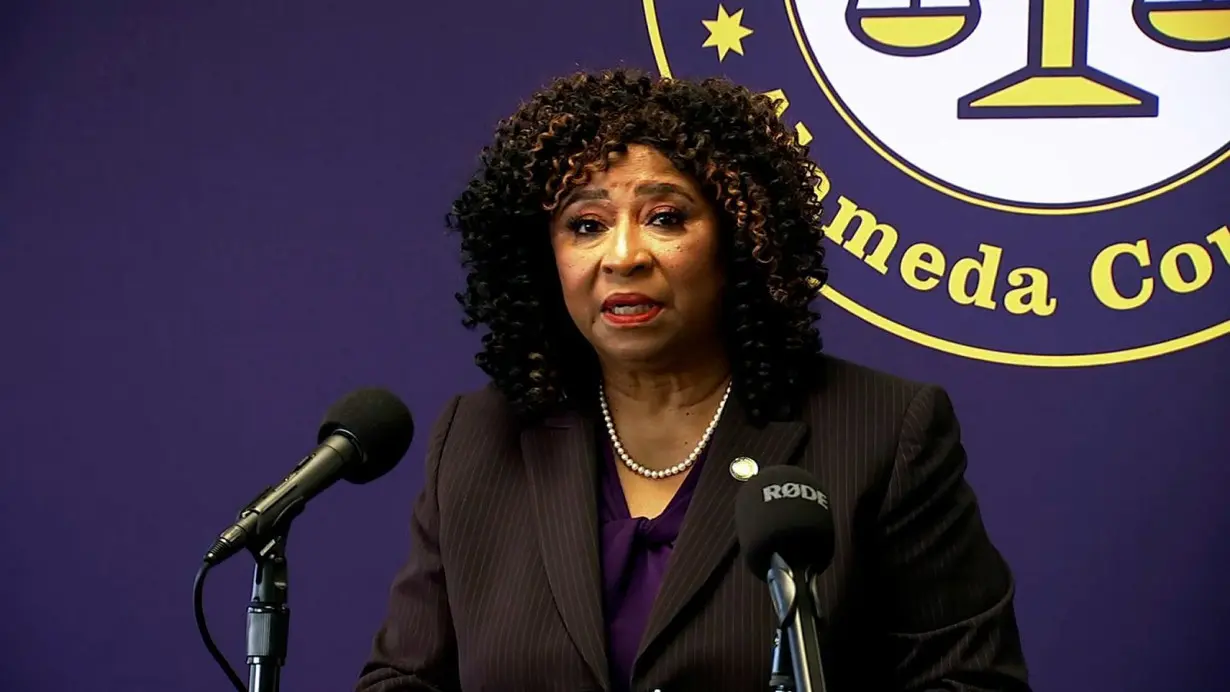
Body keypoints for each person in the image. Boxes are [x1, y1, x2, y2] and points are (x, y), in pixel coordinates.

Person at [355, 68, 1030, 692]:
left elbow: (969, 684)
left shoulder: (883, 433)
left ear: (739, 235)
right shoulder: (476, 441)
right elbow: (403, 681)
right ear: (545, 257)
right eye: (586, 225)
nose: (624, 256)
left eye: (666, 217)